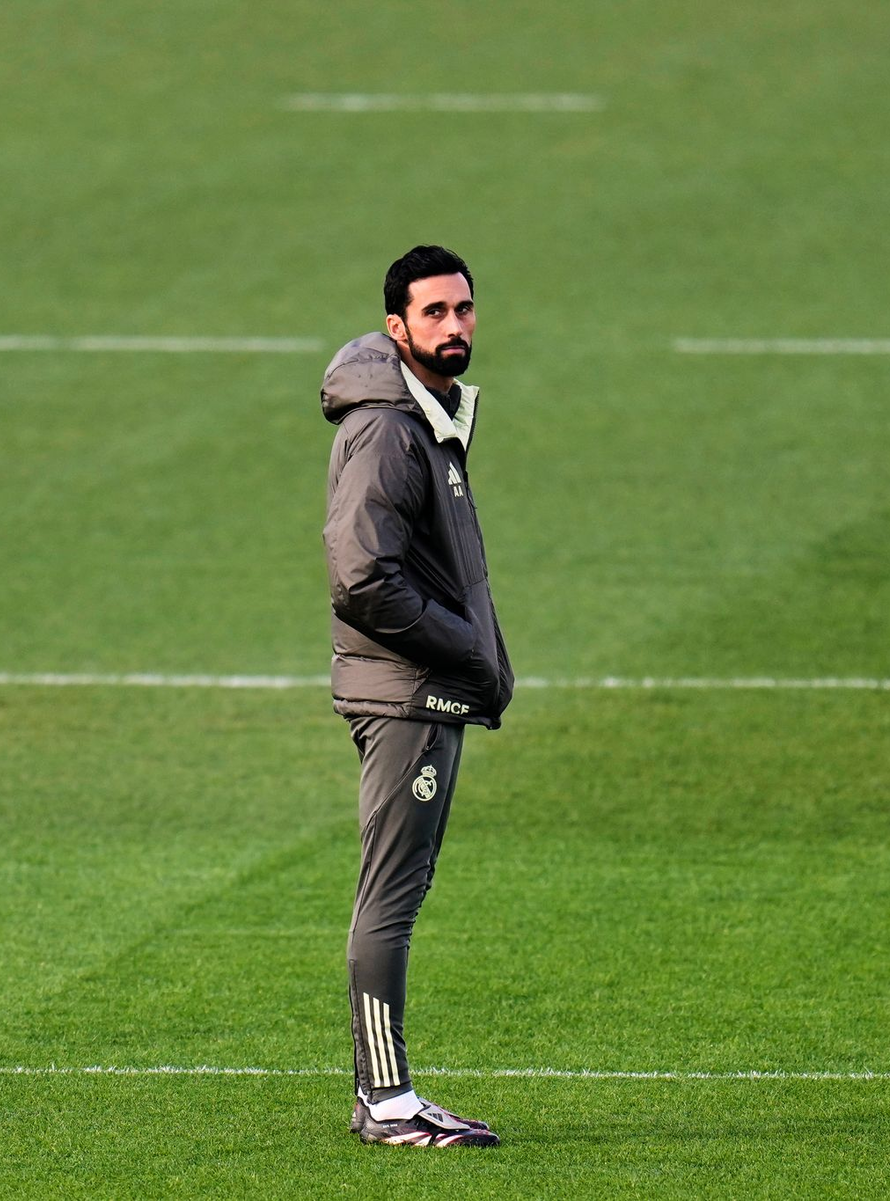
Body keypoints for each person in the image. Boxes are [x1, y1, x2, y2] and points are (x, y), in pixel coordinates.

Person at [320, 245, 514, 1148]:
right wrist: (462, 644)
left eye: (463, 309)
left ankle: (387, 1095)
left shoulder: (423, 414)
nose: (454, 327)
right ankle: (385, 1100)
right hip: (407, 694)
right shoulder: (389, 429)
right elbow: (361, 577)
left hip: (422, 687)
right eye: (434, 313)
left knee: (401, 886)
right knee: (390, 893)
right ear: (396, 326)